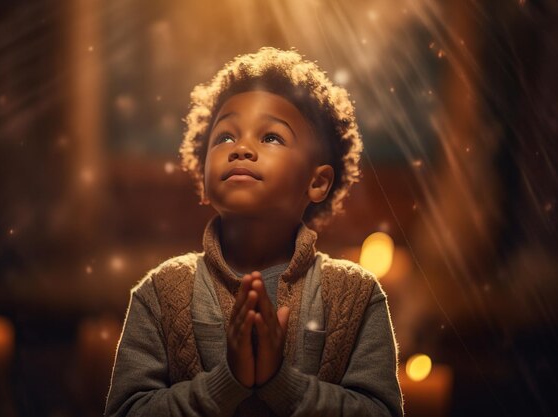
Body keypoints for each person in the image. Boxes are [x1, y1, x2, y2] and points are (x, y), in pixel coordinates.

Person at [104, 47, 403, 417]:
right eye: (225, 137)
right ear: (203, 176)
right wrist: (228, 383)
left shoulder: (357, 297)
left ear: (318, 182)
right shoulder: (161, 293)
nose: (241, 148)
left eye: (272, 137)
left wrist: (283, 384)